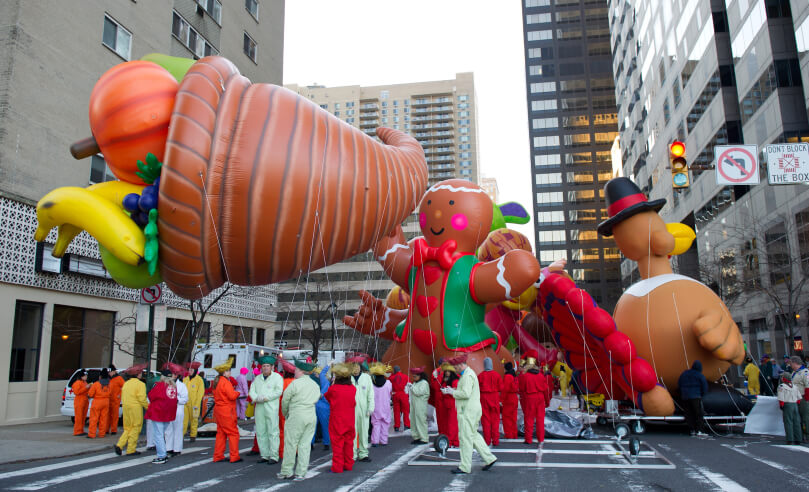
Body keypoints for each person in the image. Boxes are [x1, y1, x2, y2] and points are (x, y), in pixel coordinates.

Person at [444, 353, 497, 474]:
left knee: (465, 438)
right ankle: (489, 458)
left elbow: (465, 394)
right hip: (472, 410)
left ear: (461, 364)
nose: (455, 369)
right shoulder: (469, 374)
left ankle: (465, 466)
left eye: (456, 367)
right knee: (473, 436)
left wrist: (452, 392)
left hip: (467, 410)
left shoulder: (467, 376)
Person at [278, 359, 321, 481]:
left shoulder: (295, 384)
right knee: (305, 444)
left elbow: (285, 400)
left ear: (301, 371)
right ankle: (301, 471)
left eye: (296, 369)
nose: (294, 371)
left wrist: (285, 413)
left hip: (297, 414)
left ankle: (287, 471)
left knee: (291, 443)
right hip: (311, 414)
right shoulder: (314, 384)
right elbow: (317, 397)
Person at [249, 354, 284, 465]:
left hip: (271, 407)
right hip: (259, 407)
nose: (265, 368)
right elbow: (252, 391)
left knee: (273, 431)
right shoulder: (257, 379)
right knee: (260, 431)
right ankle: (264, 455)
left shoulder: (277, 378)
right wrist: (255, 398)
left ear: (272, 367)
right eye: (263, 366)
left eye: (267, 366)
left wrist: (266, 397)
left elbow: (279, 391)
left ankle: (274, 455)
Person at [325, 363, 356, 473]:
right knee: (349, 443)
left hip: (337, 419)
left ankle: (337, 467)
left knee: (337, 443)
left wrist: (332, 384)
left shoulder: (334, 389)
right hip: (350, 419)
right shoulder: (352, 388)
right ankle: (348, 464)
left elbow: (327, 397)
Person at [144, 369, 178, 464]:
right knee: (161, 434)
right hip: (168, 413)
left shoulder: (159, 385)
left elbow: (151, 396)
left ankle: (162, 455)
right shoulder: (173, 387)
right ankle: (163, 453)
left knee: (158, 435)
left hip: (158, 412)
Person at [212, 358, 242, 463]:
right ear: (225, 372)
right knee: (233, 433)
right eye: (229, 370)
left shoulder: (217, 382)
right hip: (227, 410)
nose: (230, 372)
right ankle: (234, 456)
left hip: (218, 410)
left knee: (221, 433)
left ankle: (218, 455)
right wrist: (238, 393)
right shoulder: (225, 382)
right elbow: (232, 396)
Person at [114, 364, 148, 456]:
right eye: (140, 373)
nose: (141, 374)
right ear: (137, 374)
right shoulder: (140, 384)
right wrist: (148, 407)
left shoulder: (126, 383)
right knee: (136, 427)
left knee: (128, 428)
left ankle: (120, 444)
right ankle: (131, 449)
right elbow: (142, 398)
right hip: (135, 408)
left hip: (126, 407)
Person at [350, 356, 375, 462]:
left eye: (357, 367)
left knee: (364, 432)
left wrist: (370, 408)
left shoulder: (366, 378)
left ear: (360, 368)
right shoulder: (347, 378)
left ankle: (363, 453)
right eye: (354, 367)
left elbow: (371, 394)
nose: (356, 369)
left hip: (364, 409)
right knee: (352, 433)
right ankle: (352, 454)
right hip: (351, 409)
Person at [519, 357, 549, 445]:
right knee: (540, 419)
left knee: (529, 419)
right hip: (540, 397)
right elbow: (545, 390)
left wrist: (523, 402)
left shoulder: (525, 376)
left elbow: (522, 390)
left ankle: (528, 439)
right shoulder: (540, 375)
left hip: (529, 398)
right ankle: (541, 438)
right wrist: (547, 402)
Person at [678, 360, 708, 436]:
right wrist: (702, 394)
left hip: (685, 396)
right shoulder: (699, 375)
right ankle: (700, 430)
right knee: (698, 414)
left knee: (688, 414)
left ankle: (692, 430)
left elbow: (679, 383)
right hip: (695, 396)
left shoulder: (684, 374)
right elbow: (704, 386)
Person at [165, 363, 189, 457]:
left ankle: (177, 448)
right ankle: (168, 448)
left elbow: (185, 398)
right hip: (168, 409)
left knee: (178, 429)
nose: (173, 376)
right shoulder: (166, 384)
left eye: (175, 374)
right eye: (172, 374)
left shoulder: (181, 386)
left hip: (178, 409)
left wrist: (177, 400)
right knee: (168, 429)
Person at [478, 357, 502, 446]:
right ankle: (495, 440)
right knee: (495, 419)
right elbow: (501, 388)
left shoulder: (480, 375)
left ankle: (487, 440)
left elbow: (477, 388)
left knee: (485, 420)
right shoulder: (497, 375)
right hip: (494, 396)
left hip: (484, 397)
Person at [369, 363, 392, 447]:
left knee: (376, 424)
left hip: (376, 406)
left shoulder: (372, 384)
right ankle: (384, 440)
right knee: (385, 423)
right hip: (385, 406)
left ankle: (375, 441)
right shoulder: (388, 383)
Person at [777, 372, 803, 445]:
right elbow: (799, 398)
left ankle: (790, 439)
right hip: (795, 405)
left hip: (787, 405)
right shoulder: (795, 386)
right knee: (796, 422)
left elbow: (781, 398)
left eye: (782, 377)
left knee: (788, 422)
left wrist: (781, 405)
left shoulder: (781, 386)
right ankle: (798, 438)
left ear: (784, 378)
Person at [788, 355, 809, 441]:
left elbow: (808, 386)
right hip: (795, 398)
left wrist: (806, 399)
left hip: (803, 398)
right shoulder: (794, 373)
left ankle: (808, 435)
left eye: (791, 363)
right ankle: (799, 435)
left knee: (806, 417)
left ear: (795, 363)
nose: (790, 365)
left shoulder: (805, 372)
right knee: (797, 418)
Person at [407, 366, 430, 445]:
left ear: (420, 376)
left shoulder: (424, 383)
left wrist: (411, 387)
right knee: (413, 421)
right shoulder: (415, 383)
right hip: (414, 404)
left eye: (415, 376)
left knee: (420, 421)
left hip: (421, 405)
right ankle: (416, 436)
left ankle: (424, 438)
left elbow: (418, 392)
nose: (414, 378)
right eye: (413, 376)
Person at [183, 362, 204, 443]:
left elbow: (200, 393)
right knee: (184, 421)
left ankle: (193, 435)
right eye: (189, 370)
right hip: (185, 403)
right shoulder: (185, 379)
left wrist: (197, 403)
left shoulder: (199, 380)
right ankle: (181, 434)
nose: (190, 371)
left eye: (192, 370)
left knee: (194, 420)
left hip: (195, 404)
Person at [88, 368, 112, 439]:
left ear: (100, 376)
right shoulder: (109, 384)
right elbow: (110, 393)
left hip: (97, 402)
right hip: (106, 402)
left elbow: (90, 394)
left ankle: (92, 434)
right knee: (103, 419)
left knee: (94, 418)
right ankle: (102, 434)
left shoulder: (96, 384)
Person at [312, 364, 331, 451]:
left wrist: (327, 365)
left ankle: (311, 443)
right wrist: (328, 365)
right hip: (325, 407)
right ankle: (326, 443)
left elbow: (322, 372)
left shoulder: (313, 381)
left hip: (314, 404)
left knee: (313, 426)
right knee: (325, 426)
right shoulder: (325, 382)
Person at [441, 364, 460, 447]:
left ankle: (452, 440)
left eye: (449, 371)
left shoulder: (455, 381)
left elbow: (456, 390)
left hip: (452, 403)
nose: (447, 373)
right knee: (447, 422)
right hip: (446, 403)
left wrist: (449, 391)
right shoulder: (445, 380)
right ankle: (453, 440)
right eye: (446, 371)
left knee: (452, 423)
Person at [389, 365, 410, 432]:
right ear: (400, 370)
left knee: (396, 411)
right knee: (406, 411)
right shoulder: (406, 376)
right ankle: (406, 425)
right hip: (403, 394)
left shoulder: (392, 377)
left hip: (396, 394)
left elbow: (389, 382)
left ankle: (397, 426)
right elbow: (409, 384)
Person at [500, 362, 519, 439]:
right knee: (513, 417)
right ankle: (514, 433)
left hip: (509, 398)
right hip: (514, 397)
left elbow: (505, 389)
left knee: (507, 417)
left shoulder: (508, 376)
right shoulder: (515, 376)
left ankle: (509, 434)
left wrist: (501, 400)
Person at [72, 370, 90, 436]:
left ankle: (81, 430)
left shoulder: (84, 382)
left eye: (86, 376)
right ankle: (77, 431)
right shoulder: (77, 383)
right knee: (79, 416)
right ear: (81, 376)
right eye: (85, 376)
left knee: (83, 416)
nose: (86, 377)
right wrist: (86, 388)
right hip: (79, 400)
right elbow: (77, 392)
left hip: (85, 399)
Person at [108, 365, 124, 435]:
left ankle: (113, 430)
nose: (109, 373)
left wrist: (120, 395)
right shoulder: (108, 379)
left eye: (110, 372)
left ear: (114, 371)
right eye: (109, 372)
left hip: (115, 400)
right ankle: (106, 429)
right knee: (107, 416)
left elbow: (125, 387)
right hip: (108, 400)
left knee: (114, 416)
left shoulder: (119, 378)